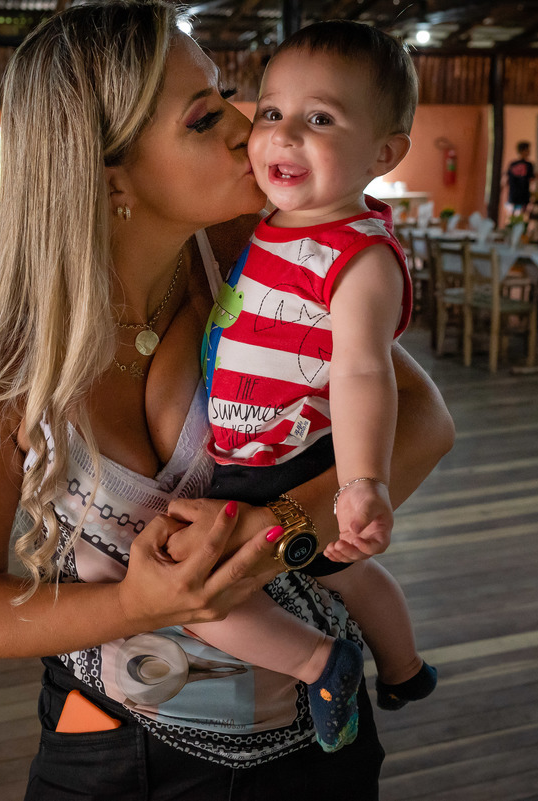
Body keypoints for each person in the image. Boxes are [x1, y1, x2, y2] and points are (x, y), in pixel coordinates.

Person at [0, 2, 454, 798]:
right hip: (131, 756)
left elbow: (422, 419)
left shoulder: (249, 252)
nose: (249, 130)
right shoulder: (12, 364)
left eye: (229, 96)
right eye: (205, 116)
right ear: (112, 173)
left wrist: (279, 526)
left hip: (323, 734)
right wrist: (135, 602)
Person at [191, 20, 436, 755]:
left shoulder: (360, 257)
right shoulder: (269, 222)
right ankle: (406, 668)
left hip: (284, 459)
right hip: (249, 448)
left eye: (319, 118)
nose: (283, 135)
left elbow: (364, 370)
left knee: (201, 598)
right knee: (347, 575)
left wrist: (363, 481)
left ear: (384, 153)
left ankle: (321, 661)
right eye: (271, 113)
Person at [505, 140, 536, 215]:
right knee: (522, 215)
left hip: (513, 195)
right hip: (523, 195)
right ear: (523, 151)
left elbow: (507, 180)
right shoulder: (529, 165)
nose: (529, 152)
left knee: (513, 215)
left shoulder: (512, 164)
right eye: (527, 150)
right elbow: (531, 178)